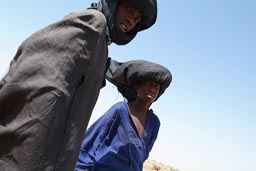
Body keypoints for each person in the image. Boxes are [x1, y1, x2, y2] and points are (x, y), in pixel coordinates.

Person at [0, 0, 157, 171]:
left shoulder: (101, 45)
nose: (131, 20)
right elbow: (32, 84)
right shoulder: (94, 22)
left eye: (136, 19)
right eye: (128, 8)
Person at [75, 59, 172, 171]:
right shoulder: (120, 110)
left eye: (156, 86)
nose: (152, 89)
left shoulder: (154, 123)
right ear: (137, 87)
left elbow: (143, 155)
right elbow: (90, 145)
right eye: (148, 84)